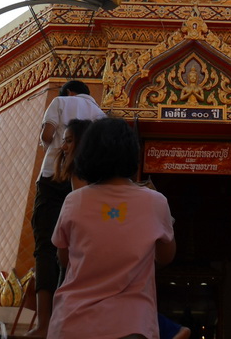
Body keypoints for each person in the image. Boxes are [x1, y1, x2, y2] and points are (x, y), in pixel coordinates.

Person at [50, 117, 176, 339]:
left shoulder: (74, 201)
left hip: (72, 323)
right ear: (132, 153)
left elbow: (63, 258)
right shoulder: (156, 202)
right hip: (131, 325)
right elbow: (165, 257)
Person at [30, 80, 106, 337]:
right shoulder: (101, 116)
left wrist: (53, 148)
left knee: (45, 246)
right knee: (81, 247)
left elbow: (47, 135)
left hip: (54, 176)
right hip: (88, 182)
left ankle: (44, 323)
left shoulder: (60, 102)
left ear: (70, 92)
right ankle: (75, 315)